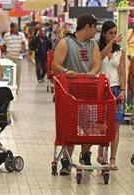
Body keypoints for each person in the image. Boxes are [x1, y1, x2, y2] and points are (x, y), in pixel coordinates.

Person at [52, 14, 101, 175]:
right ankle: (66, 160)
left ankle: (85, 155)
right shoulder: (65, 43)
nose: (96, 31)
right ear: (88, 26)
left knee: (88, 126)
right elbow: (55, 65)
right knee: (69, 127)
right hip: (69, 94)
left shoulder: (93, 45)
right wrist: (67, 71)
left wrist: (93, 73)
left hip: (88, 92)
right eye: (95, 27)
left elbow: (96, 64)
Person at [97, 21, 125, 170]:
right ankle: (101, 152)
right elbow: (99, 58)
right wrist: (111, 43)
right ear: (104, 34)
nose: (114, 36)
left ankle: (112, 158)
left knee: (115, 126)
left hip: (115, 90)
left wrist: (122, 90)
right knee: (101, 124)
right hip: (101, 89)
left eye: (115, 33)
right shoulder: (97, 48)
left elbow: (122, 72)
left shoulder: (120, 52)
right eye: (111, 33)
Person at [3, 22, 26, 94]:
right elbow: (4, 45)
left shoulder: (21, 35)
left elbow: (23, 44)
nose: (17, 28)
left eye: (17, 27)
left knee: (17, 74)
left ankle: (16, 89)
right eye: (16, 27)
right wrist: (5, 52)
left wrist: (22, 49)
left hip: (17, 57)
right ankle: (8, 89)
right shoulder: (6, 35)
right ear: (12, 28)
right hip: (9, 57)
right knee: (8, 73)